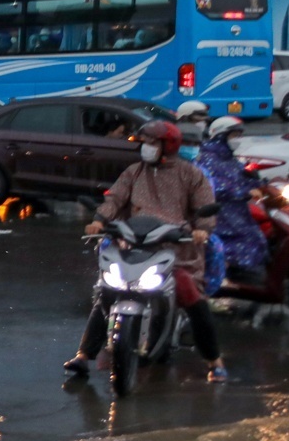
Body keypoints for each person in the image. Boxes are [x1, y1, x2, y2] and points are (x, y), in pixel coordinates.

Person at [65, 120, 227, 382]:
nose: (146, 149)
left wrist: (202, 229)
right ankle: (83, 355)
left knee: (191, 296)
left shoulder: (191, 175)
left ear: (167, 146)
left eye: (151, 144)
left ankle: (214, 362)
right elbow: (114, 199)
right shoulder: (133, 172)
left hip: (177, 250)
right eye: (144, 144)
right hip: (134, 246)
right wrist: (99, 221)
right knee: (107, 290)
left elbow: (204, 208)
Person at [198, 115, 271, 288]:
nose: (237, 140)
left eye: (239, 135)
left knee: (259, 234)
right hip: (221, 213)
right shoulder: (209, 158)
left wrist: (259, 183)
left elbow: (241, 177)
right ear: (221, 136)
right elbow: (216, 186)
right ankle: (222, 279)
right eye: (234, 135)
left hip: (236, 211)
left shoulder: (229, 157)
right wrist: (244, 191)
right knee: (247, 239)